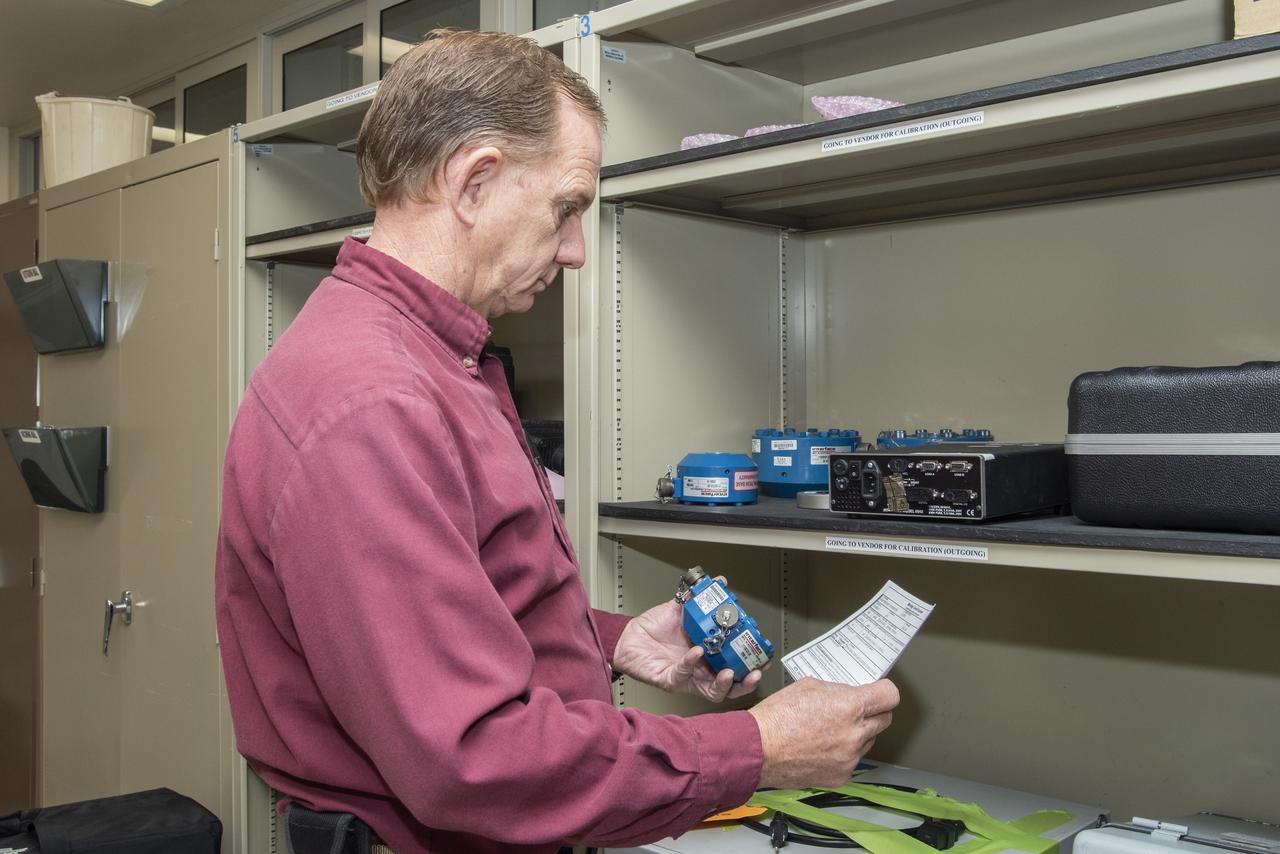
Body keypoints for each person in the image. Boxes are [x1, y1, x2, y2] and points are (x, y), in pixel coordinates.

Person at [215, 28, 899, 854]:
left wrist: (607, 640)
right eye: (567, 208)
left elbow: (452, 617)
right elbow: (473, 759)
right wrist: (759, 749)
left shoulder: (424, 363)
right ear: (475, 181)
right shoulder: (373, 402)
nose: (575, 251)